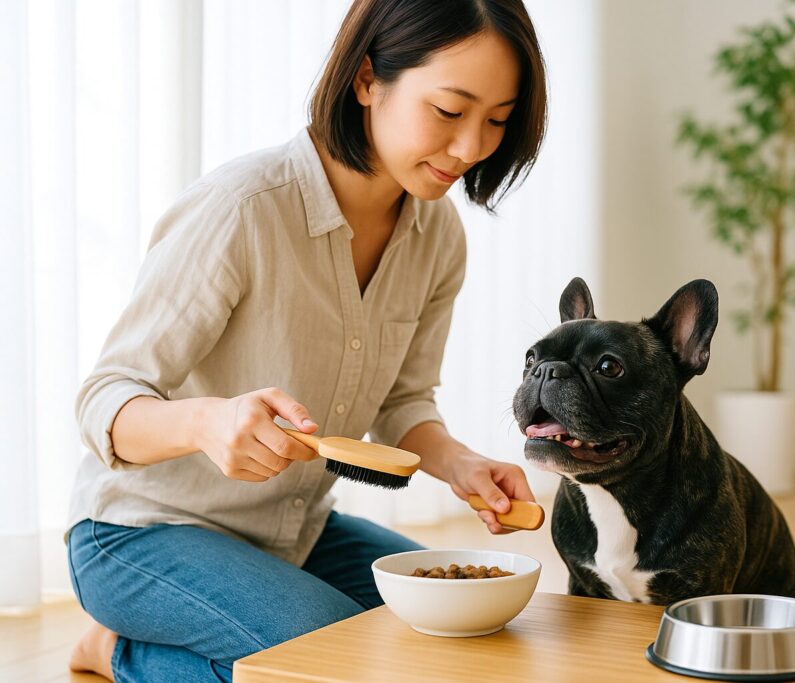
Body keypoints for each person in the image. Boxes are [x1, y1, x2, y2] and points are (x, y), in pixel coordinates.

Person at [66, 0, 547, 679]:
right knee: (333, 662)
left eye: (497, 120)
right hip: (138, 534)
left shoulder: (437, 238)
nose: (471, 148)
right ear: (366, 79)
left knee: (449, 624)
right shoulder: (243, 209)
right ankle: (118, 649)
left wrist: (460, 465)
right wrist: (210, 421)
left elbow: (404, 402)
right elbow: (102, 402)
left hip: (293, 533)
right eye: (448, 111)